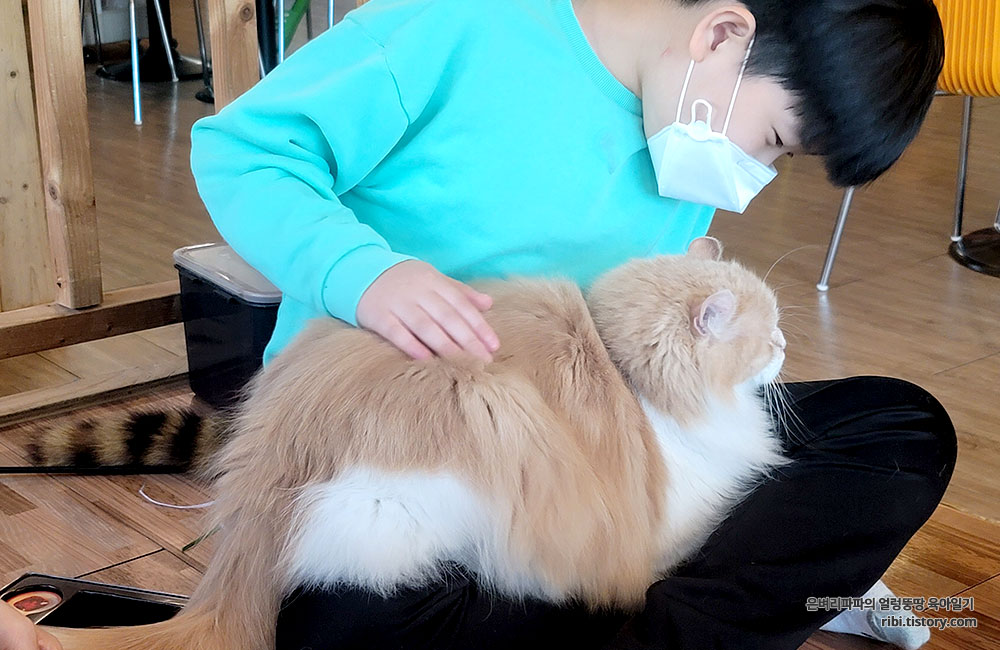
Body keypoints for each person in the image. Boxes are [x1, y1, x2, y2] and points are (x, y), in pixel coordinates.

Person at [8, 0, 954, 648]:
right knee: (349, 621)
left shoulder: (684, 136)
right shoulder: (463, 24)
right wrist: (367, 277)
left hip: (586, 458)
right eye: (774, 142)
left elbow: (639, 365)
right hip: (401, 444)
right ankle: (727, 588)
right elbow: (246, 150)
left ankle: (672, 600)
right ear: (722, 34)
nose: (754, 180)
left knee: (902, 426)